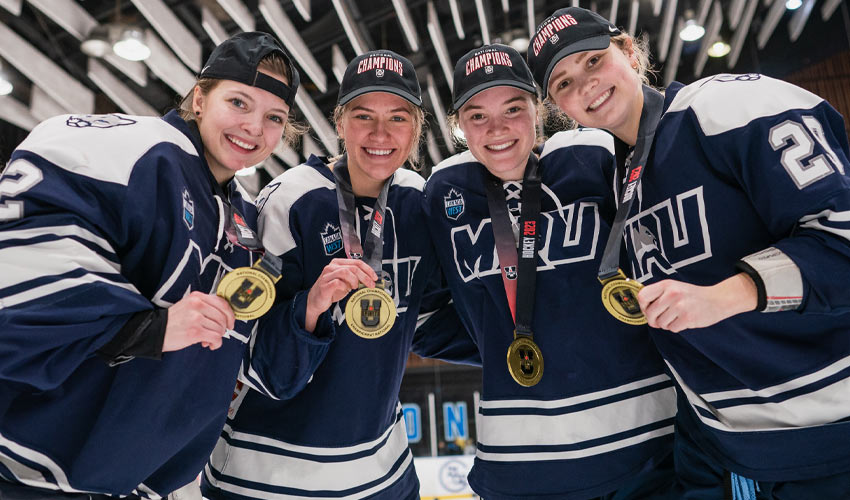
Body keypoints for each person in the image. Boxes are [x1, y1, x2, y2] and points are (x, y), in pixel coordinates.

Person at [527, 6, 850, 499]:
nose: (585, 86)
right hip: (732, 452)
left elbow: (841, 237)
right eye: (563, 85)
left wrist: (728, 294)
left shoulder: (729, 106)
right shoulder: (617, 178)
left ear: (628, 51)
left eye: (593, 61)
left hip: (831, 431)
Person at [0, 32, 300, 498]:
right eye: (239, 102)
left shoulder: (244, 220)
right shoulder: (142, 150)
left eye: (273, 117)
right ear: (199, 98)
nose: (254, 128)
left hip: (138, 485)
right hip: (30, 475)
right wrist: (148, 330)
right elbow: (19, 277)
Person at [201, 49, 478, 500]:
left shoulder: (418, 202)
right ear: (340, 122)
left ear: (417, 128)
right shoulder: (292, 202)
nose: (380, 134)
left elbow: (422, 323)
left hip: (381, 476)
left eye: (399, 118)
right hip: (267, 479)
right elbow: (258, 364)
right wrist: (310, 307)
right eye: (363, 116)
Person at [423, 43, 676, 500]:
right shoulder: (444, 192)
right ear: (458, 126)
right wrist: (504, 336)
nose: (497, 129)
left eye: (513, 108)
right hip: (523, 469)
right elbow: (422, 318)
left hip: (650, 451)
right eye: (477, 115)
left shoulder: (592, 156)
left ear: (539, 110)